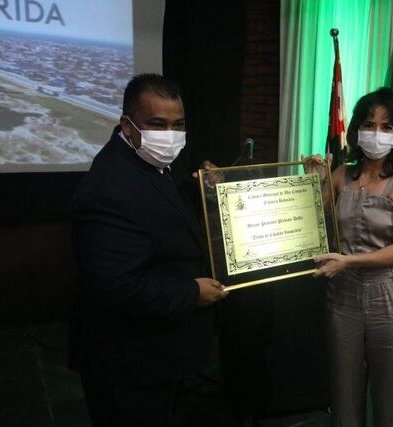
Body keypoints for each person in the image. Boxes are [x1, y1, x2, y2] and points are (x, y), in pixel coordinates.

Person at [68, 73, 228, 427]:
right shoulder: (107, 188)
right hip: (127, 360)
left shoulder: (159, 161)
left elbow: (168, 209)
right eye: (157, 124)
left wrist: (204, 187)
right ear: (128, 125)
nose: (169, 135)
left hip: (162, 351)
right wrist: (192, 293)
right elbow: (114, 286)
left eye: (178, 125)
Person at [304, 87, 393, 427]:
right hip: (342, 299)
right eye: (369, 125)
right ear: (357, 129)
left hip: (390, 301)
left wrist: (349, 262)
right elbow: (313, 221)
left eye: (387, 127)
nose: (376, 133)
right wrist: (313, 181)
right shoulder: (342, 174)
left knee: (390, 403)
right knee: (343, 398)